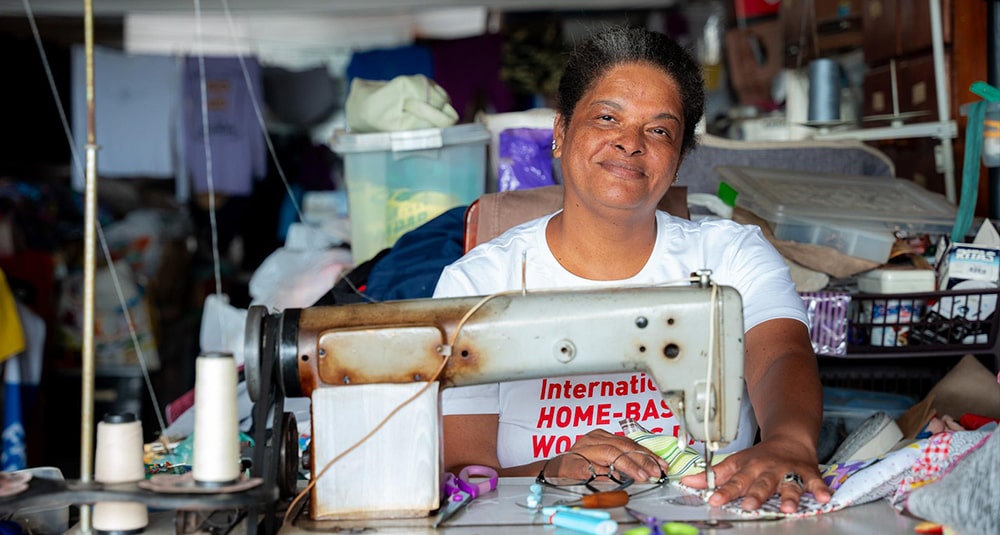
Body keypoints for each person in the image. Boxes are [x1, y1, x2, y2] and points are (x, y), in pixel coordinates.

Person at [433, 25, 831, 513]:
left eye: (659, 130)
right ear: (561, 132)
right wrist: (553, 470)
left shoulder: (730, 255)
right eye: (607, 118)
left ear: (679, 158)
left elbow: (780, 356)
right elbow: (464, 475)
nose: (631, 143)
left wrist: (789, 441)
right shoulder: (478, 283)